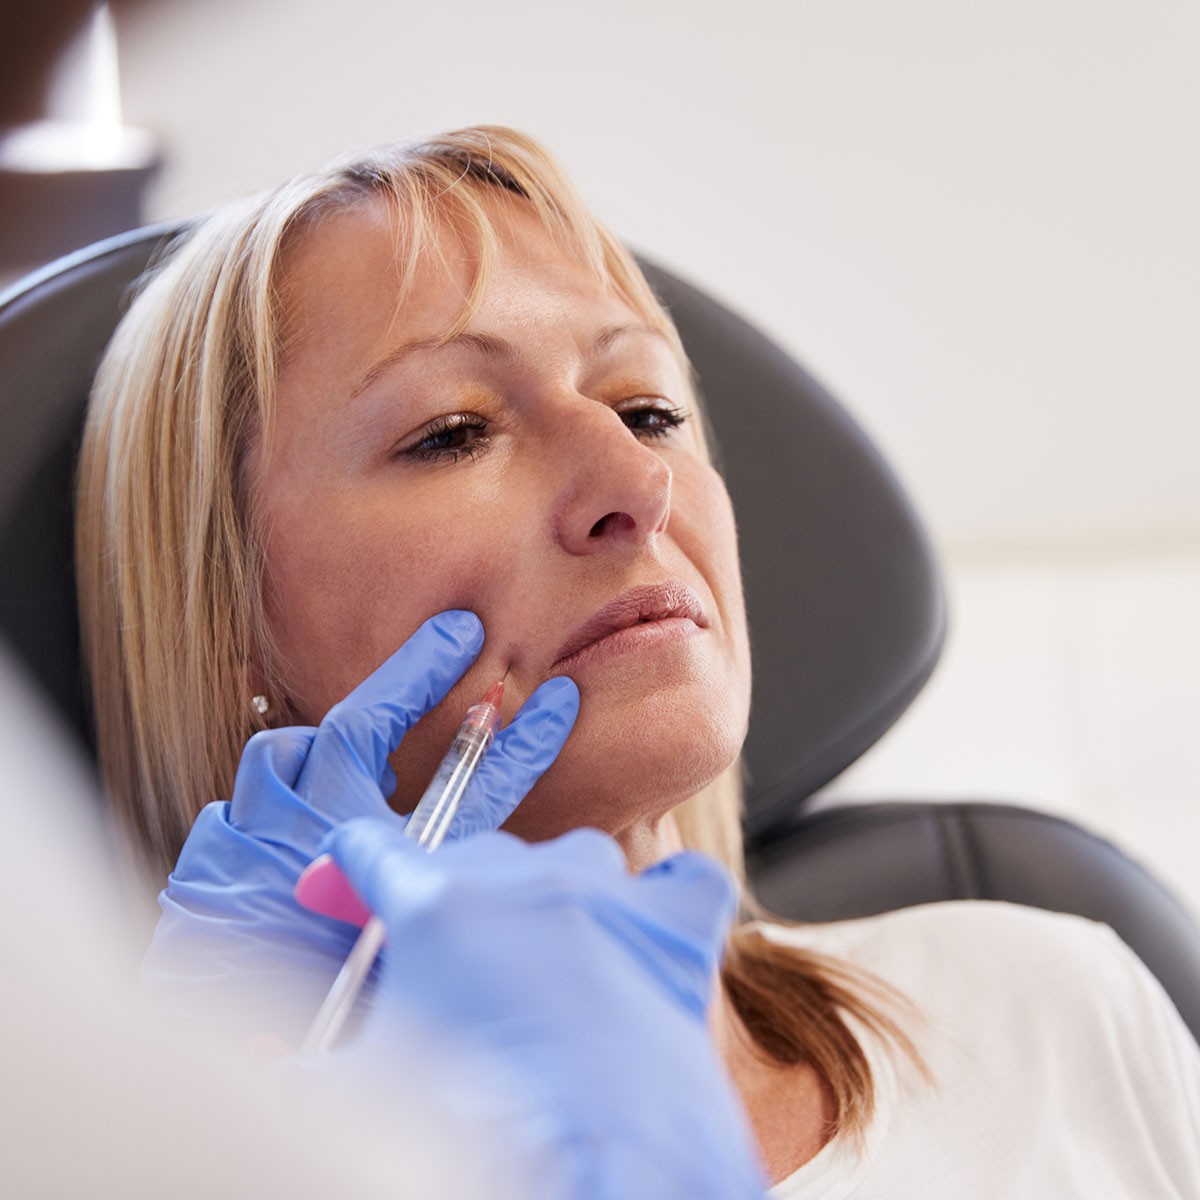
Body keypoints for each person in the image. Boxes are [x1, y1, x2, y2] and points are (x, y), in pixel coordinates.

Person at [75, 126, 1200, 1194]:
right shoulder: (247, 1170)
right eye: (455, 430)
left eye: (649, 408)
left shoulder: (1051, 1003)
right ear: (235, 637)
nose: (634, 482)